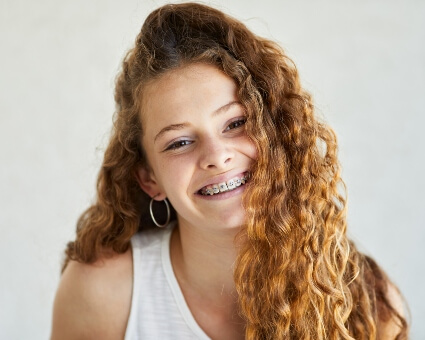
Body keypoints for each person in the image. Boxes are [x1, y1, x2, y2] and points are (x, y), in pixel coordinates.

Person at [50, 3, 408, 339]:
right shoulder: (101, 293)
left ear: (279, 132)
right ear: (149, 179)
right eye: (179, 143)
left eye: (236, 123)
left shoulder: (367, 305)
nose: (217, 156)